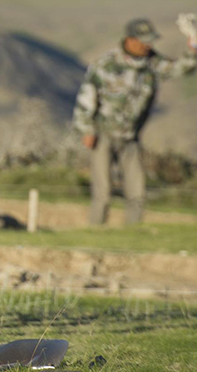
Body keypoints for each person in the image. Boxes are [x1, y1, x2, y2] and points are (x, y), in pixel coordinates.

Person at [73, 16, 197, 225]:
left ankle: (133, 231)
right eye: (144, 40)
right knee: (103, 190)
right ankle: (96, 231)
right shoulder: (106, 65)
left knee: (137, 190)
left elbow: (179, 69)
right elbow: (87, 97)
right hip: (103, 135)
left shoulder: (152, 63)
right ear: (130, 40)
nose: (148, 45)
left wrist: (193, 46)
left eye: (150, 41)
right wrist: (86, 130)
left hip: (131, 137)